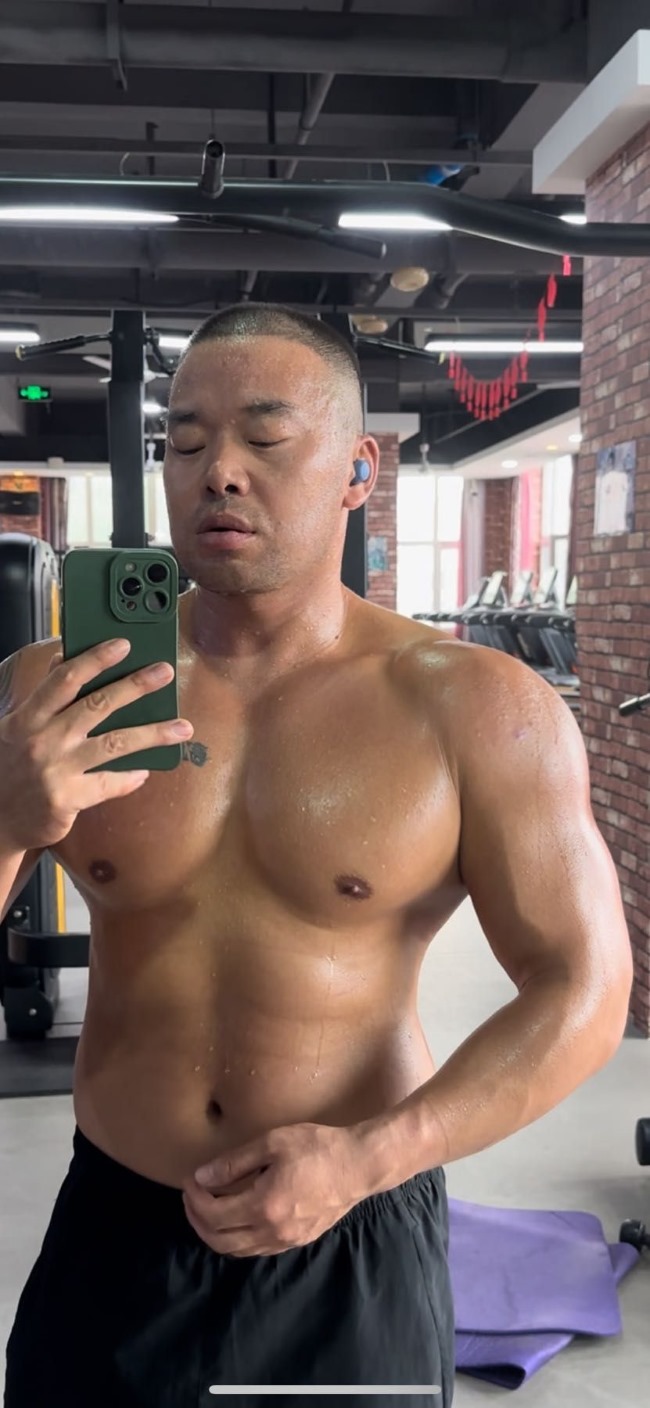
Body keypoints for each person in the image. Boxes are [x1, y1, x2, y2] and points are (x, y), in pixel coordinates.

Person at [1, 304, 632, 1408]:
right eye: (184, 442)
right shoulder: (50, 692)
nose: (218, 471)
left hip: (350, 1231)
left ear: (357, 468)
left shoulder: (475, 708)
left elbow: (584, 986)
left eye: (264, 436)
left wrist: (370, 1158)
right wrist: (8, 818)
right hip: (115, 1233)